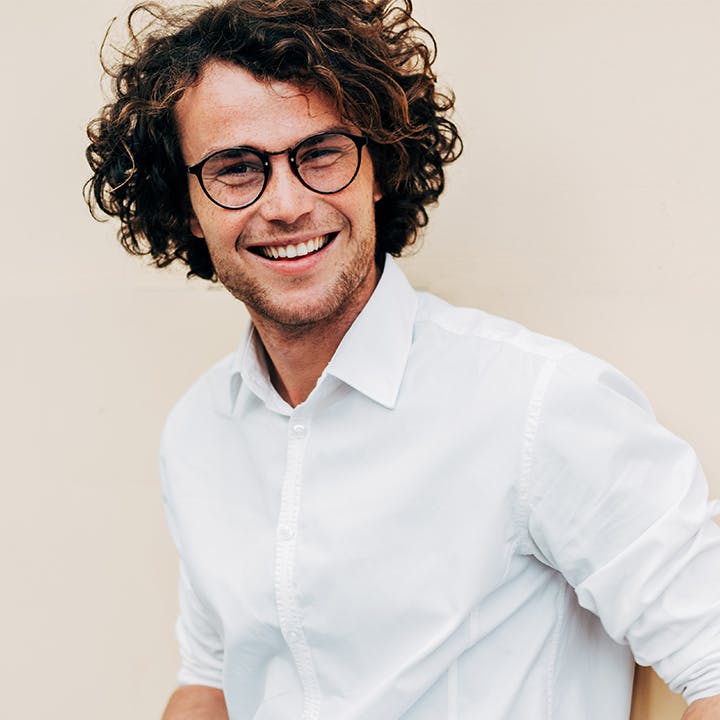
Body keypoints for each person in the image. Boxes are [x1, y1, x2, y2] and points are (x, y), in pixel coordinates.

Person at [85, 1, 720, 718]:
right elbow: (212, 681)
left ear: (379, 168)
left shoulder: (536, 403)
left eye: (320, 154)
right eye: (236, 169)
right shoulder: (197, 432)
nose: (287, 204)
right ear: (188, 207)